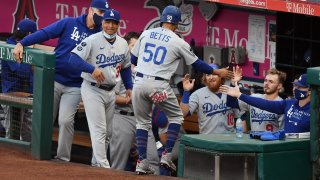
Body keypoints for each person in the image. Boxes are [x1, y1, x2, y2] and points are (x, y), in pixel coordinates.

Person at [130, 5, 233, 175]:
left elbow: (133, 58)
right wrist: (216, 71)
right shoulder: (178, 41)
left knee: (142, 123)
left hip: (139, 82)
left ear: (162, 19)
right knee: (176, 116)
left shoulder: (146, 33)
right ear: (177, 24)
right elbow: (197, 64)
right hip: (158, 85)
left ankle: (141, 162)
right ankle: (167, 155)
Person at [12, 0, 109, 162]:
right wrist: (22, 43)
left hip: (76, 84)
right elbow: (45, 33)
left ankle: (62, 159)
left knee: (65, 120)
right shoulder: (70, 23)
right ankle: (36, 154)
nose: (102, 17)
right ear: (90, 10)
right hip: (53, 79)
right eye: (100, 13)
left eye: (105, 14)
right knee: (45, 118)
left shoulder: (101, 34)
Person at [68, 9, 132, 168]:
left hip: (111, 91)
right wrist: (91, 69)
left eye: (114, 22)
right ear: (102, 22)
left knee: (108, 133)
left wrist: (129, 86)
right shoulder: (92, 40)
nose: (110, 25)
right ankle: (105, 168)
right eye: (107, 22)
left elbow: (125, 67)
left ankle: (97, 165)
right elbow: (72, 59)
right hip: (92, 89)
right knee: (100, 130)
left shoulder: (123, 43)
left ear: (118, 24)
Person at [109, 32, 160, 174]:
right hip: (122, 116)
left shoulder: (148, 69)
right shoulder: (118, 67)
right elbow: (110, 96)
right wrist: (128, 99)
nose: (138, 49)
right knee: (118, 163)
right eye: (134, 45)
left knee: (152, 160)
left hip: (142, 119)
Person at [220, 73, 311, 133]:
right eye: (295, 86)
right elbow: (265, 104)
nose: (295, 89)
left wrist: (240, 95)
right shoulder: (288, 103)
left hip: (297, 150)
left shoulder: (314, 109)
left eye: (300, 87)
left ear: (310, 91)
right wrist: (238, 94)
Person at [1, 19, 37, 141]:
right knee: (12, 132)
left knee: (28, 131)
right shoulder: (9, 46)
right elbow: (22, 72)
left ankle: (26, 157)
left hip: (28, 93)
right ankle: (11, 157)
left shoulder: (26, 47)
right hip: (12, 94)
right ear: (28, 35)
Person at [180, 64, 240, 134]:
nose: (211, 77)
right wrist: (186, 91)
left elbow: (239, 117)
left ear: (221, 76)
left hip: (229, 139)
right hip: (207, 141)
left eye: (214, 74)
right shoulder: (198, 94)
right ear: (204, 78)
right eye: (208, 75)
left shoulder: (231, 91)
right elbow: (183, 114)